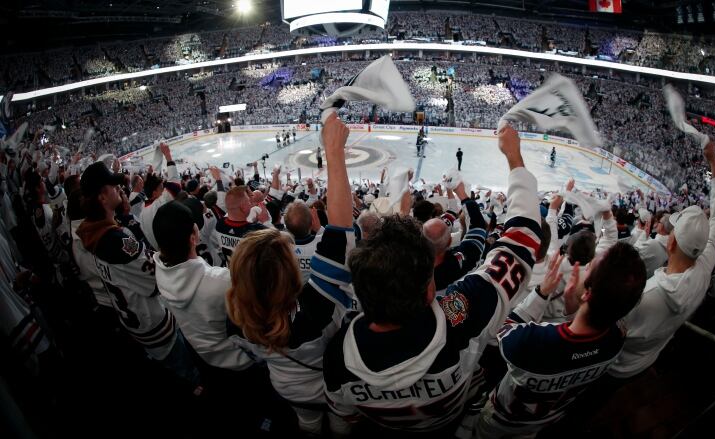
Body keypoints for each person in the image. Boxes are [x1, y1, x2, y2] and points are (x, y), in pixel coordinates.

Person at [324, 125, 543, 435]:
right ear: (430, 289)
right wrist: (514, 158)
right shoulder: (464, 314)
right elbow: (522, 244)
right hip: (450, 424)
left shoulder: (337, 355)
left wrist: (334, 156)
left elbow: (341, 419)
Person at [226, 113, 356, 435]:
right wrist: (335, 154)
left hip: (285, 386)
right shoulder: (317, 306)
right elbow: (341, 228)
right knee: (341, 427)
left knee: (307, 424)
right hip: (330, 384)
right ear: (290, 269)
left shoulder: (237, 317)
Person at [476, 243, 646, 438]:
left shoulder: (533, 341)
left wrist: (541, 293)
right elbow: (580, 345)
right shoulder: (617, 340)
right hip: (544, 419)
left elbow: (502, 329)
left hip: (502, 419)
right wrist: (572, 310)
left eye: (589, 266)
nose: (585, 267)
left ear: (588, 293)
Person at [608, 140, 715, 383]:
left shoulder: (649, 294)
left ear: (670, 243)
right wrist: (714, 164)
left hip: (617, 366)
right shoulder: (703, 269)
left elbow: (611, 330)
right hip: (648, 358)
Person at [75, 161, 200, 389]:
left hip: (138, 325)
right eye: (113, 187)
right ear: (102, 198)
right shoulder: (117, 241)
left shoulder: (91, 233)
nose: (119, 189)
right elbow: (155, 282)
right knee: (188, 376)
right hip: (157, 328)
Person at [152, 201, 253, 372]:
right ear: (193, 237)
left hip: (202, 359)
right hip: (239, 363)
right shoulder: (221, 281)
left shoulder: (159, 273)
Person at [139, 143, 180, 250]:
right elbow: (175, 184)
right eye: (162, 188)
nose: (164, 189)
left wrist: (156, 162)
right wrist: (168, 155)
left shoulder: (143, 208)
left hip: (161, 253)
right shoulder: (160, 204)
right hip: (174, 251)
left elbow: (151, 184)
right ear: (154, 193)